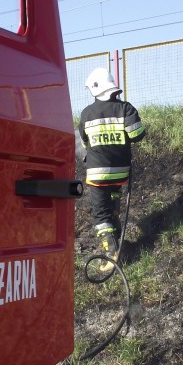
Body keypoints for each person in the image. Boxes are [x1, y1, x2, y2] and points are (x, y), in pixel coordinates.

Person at [79, 67, 145, 271]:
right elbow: (137, 135)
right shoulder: (126, 108)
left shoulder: (86, 113)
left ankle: (111, 253)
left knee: (100, 215)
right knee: (113, 196)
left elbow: (84, 141)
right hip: (120, 171)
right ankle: (116, 219)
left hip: (97, 173)